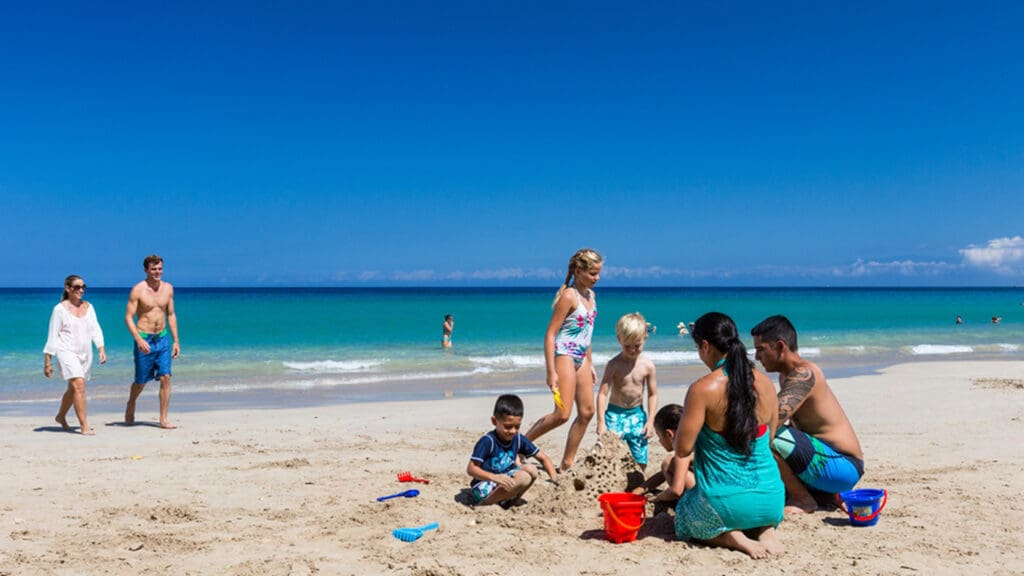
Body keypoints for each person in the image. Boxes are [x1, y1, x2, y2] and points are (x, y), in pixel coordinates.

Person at [673, 312, 784, 559]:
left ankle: (731, 537)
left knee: (682, 515)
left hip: (727, 506)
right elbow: (770, 438)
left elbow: (682, 449)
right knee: (753, 506)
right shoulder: (765, 382)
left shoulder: (703, 388)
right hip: (772, 499)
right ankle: (766, 529)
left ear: (704, 345)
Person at [750, 315, 864, 514]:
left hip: (844, 467)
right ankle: (823, 495)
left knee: (766, 432)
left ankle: (803, 499)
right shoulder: (786, 375)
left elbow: (771, 420)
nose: (757, 357)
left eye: (761, 349)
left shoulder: (804, 375)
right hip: (825, 462)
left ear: (779, 346)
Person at [525, 248, 603, 472]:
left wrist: (591, 363)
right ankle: (521, 445)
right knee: (562, 414)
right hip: (564, 356)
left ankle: (567, 463)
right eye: (592, 274)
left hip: (582, 359)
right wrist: (551, 372)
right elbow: (550, 335)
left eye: (598, 274)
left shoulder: (591, 296)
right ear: (579, 271)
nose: (597, 278)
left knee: (587, 412)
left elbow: (586, 334)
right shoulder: (570, 296)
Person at [467, 394, 558, 507]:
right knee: (523, 477)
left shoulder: (519, 439)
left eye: (517, 426)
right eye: (508, 427)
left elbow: (543, 458)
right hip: (484, 485)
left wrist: (556, 481)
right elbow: (471, 469)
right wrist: (494, 477)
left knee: (532, 469)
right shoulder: (488, 441)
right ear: (494, 421)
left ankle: (512, 502)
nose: (513, 431)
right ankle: (485, 504)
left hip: (504, 480)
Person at [43, 275, 106, 435]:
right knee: (79, 384)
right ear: (68, 288)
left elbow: (95, 329)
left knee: (73, 389)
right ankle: (84, 425)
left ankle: (61, 416)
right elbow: (52, 336)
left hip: (85, 353)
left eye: (83, 287)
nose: (81, 290)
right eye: (77, 287)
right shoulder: (59, 309)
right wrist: (48, 362)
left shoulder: (89, 307)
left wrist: (101, 348)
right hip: (65, 351)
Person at [124, 255, 180, 429]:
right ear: (146, 270)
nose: (158, 272)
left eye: (160, 268)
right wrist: (138, 339)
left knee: (166, 377)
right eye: (154, 269)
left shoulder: (168, 288)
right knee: (141, 381)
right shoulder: (138, 290)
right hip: (145, 339)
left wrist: (176, 341)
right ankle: (131, 403)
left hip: (162, 338)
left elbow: (170, 314)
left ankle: (163, 418)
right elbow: (128, 317)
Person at [597, 312, 659, 469]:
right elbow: (603, 393)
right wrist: (601, 422)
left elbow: (653, 394)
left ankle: (636, 484)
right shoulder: (614, 365)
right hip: (614, 415)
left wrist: (650, 421)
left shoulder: (648, 366)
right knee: (610, 455)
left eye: (637, 345)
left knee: (640, 458)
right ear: (619, 340)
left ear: (645, 338)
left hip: (637, 415)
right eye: (627, 346)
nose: (632, 350)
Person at [631, 404, 695, 504]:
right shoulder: (694, 443)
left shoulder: (682, 451)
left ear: (669, 434)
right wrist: (638, 491)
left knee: (668, 462)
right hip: (722, 493)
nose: (659, 441)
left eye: (659, 436)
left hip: (708, 505)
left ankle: (685, 504)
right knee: (670, 465)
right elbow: (662, 475)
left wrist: (658, 498)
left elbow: (676, 491)